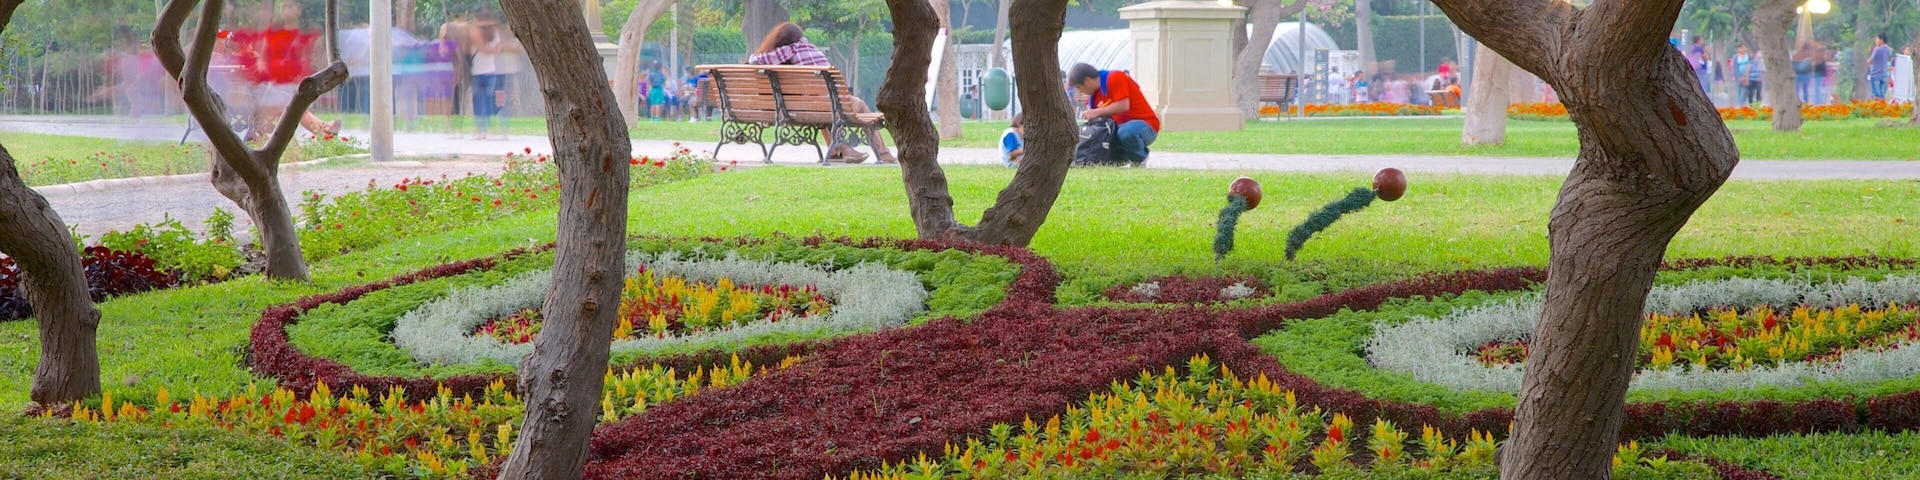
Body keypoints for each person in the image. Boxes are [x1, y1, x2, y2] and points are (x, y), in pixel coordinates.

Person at [747, 22, 896, 163]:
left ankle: (837, 150)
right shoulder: (805, 48)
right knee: (860, 105)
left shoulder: (779, 57)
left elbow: (754, 61)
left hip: (801, 107)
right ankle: (882, 153)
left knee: (824, 108)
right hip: (826, 104)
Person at [1068, 62, 1160, 164]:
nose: (1081, 91)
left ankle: (1141, 158)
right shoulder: (1094, 97)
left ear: (1087, 81)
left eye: (1079, 87)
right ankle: (1123, 158)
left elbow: (1123, 105)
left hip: (1145, 124)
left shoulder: (1115, 77)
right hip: (1118, 128)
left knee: (1126, 133)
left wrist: (1096, 112)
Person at [1870, 34, 1894, 100]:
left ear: (1881, 40)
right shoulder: (1888, 49)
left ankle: (1878, 107)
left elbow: (1870, 61)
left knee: (1876, 94)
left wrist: (1874, 51)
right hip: (1883, 73)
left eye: (1877, 39)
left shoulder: (1877, 50)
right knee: (1882, 92)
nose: (1875, 41)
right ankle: (1882, 105)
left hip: (1875, 73)